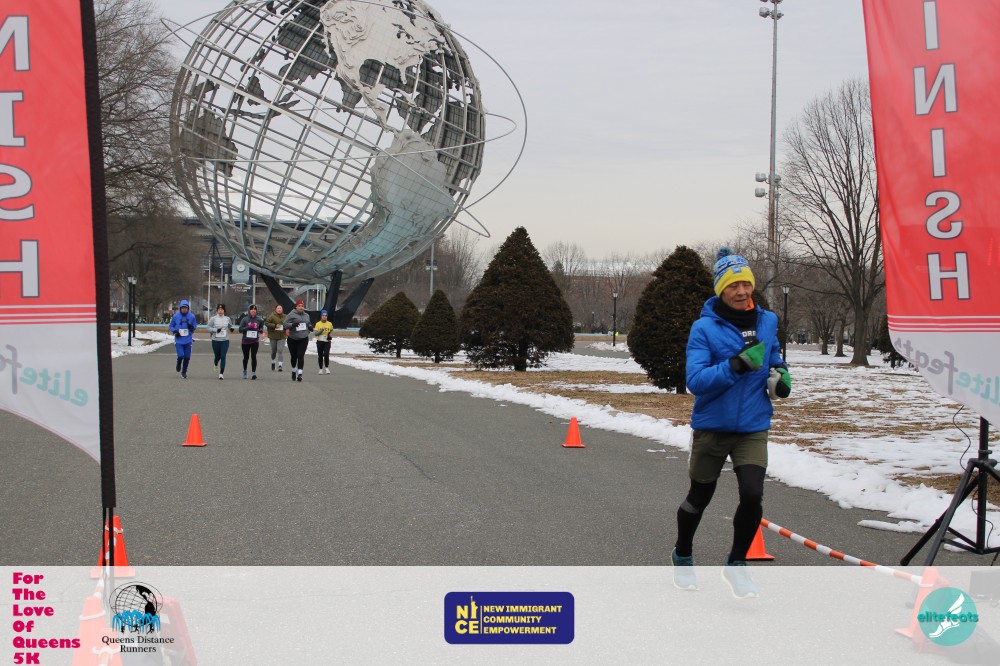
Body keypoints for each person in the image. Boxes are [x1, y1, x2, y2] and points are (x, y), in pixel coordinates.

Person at [671, 248, 792, 599]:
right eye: (732, 286)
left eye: (746, 284)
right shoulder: (704, 328)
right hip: (713, 425)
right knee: (699, 497)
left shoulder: (767, 321)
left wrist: (781, 374)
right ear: (720, 290)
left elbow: (774, 356)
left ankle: (737, 563)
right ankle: (682, 553)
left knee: (753, 494)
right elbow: (695, 381)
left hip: (753, 425)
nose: (741, 291)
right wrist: (735, 365)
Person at [167, 300, 198, 379]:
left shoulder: (192, 316)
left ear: (188, 308)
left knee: (187, 357)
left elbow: (195, 326)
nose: (184, 309)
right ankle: (179, 362)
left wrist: (192, 327)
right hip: (179, 340)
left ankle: (184, 371)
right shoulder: (175, 316)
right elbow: (171, 326)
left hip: (188, 340)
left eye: (185, 308)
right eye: (182, 308)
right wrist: (175, 331)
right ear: (180, 308)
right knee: (181, 355)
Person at [283, 299, 312, 382]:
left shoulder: (306, 315)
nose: (301, 307)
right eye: (299, 306)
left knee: (300, 355)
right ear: (296, 307)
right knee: (294, 356)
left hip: (303, 337)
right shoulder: (291, 314)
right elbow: (285, 325)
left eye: (302, 306)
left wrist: (310, 326)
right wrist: (292, 324)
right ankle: (293, 370)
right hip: (293, 338)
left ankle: (300, 374)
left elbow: (308, 323)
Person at [238, 304, 266, 379]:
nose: (253, 311)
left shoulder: (259, 319)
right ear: (249, 311)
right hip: (245, 341)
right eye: (252, 309)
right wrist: (249, 327)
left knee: (253, 356)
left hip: (255, 341)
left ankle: (253, 373)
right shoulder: (245, 319)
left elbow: (261, 327)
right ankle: (245, 371)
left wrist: (261, 330)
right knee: (246, 357)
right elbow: (240, 330)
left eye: (255, 309)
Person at [207, 304, 234, 380]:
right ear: (217, 310)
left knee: (223, 356)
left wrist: (231, 329)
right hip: (215, 340)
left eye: (222, 309)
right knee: (217, 356)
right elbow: (208, 328)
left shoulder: (227, 319)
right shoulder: (213, 319)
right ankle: (215, 363)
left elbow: (230, 326)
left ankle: (221, 373)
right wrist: (215, 330)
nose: (220, 311)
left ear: (224, 310)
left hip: (225, 340)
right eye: (219, 309)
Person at [265, 304, 287, 372]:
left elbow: (288, 323)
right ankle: (273, 361)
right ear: (276, 309)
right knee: (274, 351)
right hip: (273, 336)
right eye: (278, 308)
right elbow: (266, 323)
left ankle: (280, 365)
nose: (279, 309)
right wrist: (274, 325)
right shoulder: (272, 316)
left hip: (282, 336)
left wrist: (286, 326)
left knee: (280, 350)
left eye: (280, 308)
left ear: (282, 309)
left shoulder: (285, 316)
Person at [314, 309, 333, 374]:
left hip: (327, 341)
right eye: (323, 316)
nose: (324, 317)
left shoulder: (329, 324)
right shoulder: (318, 324)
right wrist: (321, 330)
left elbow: (331, 330)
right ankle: (320, 369)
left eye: (325, 316)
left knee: (326, 354)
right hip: (320, 341)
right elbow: (316, 333)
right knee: (320, 355)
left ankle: (327, 368)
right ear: (321, 316)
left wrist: (330, 335)